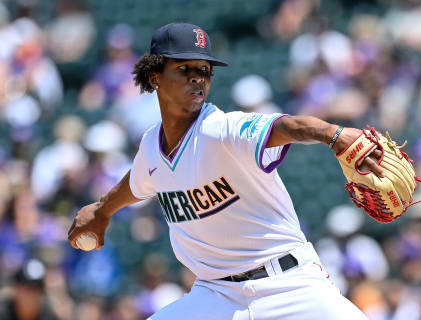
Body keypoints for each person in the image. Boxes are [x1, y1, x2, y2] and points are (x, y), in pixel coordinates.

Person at [68, 23, 383, 319]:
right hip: (215, 294)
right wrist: (102, 210)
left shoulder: (222, 129)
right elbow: (138, 182)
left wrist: (332, 134)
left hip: (290, 285)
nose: (197, 78)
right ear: (155, 77)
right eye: (184, 68)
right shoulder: (151, 146)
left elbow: (286, 126)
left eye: (204, 70)